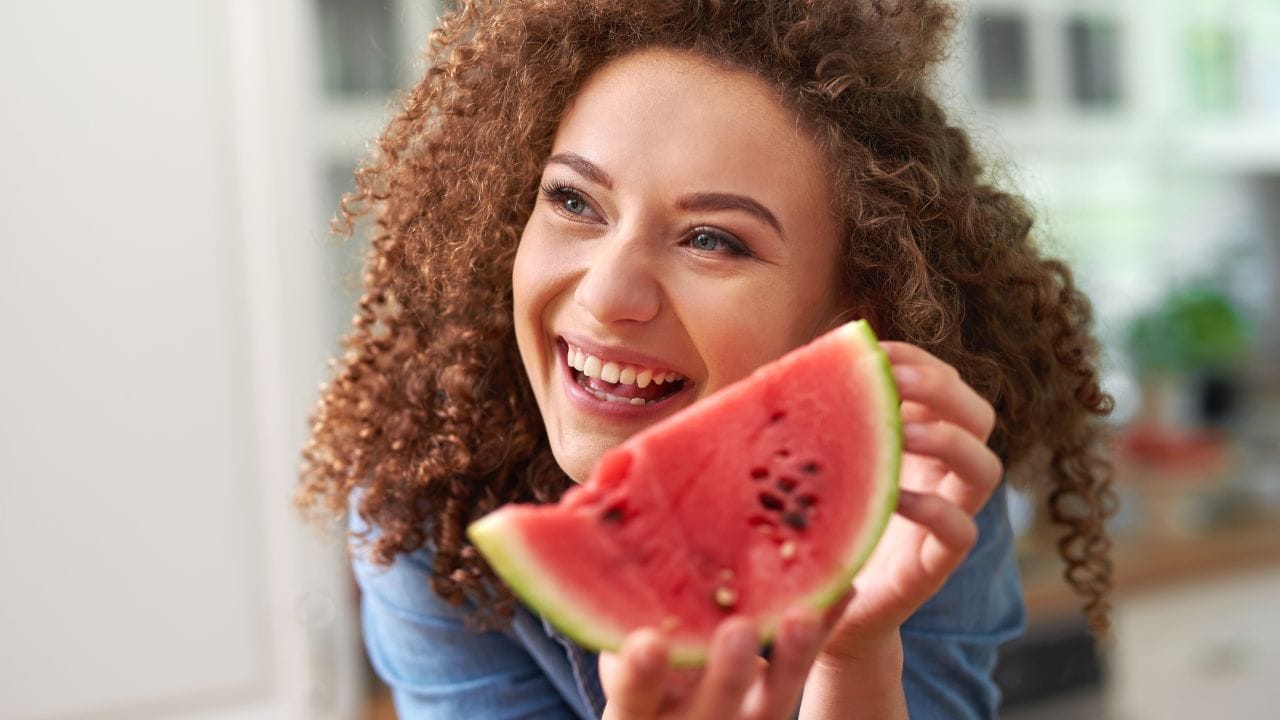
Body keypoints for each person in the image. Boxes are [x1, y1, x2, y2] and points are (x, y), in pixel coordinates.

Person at [297, 1, 1115, 717]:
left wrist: (855, 655)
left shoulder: (917, 490)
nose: (609, 295)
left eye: (713, 240)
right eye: (574, 201)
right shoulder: (428, 508)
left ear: (853, 309)